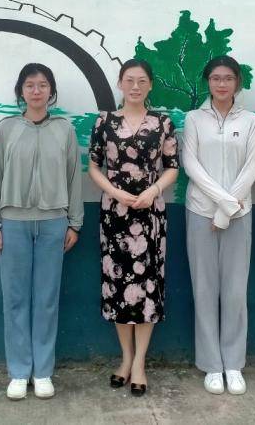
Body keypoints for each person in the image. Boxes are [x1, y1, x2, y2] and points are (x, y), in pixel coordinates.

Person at [0, 63, 83, 400]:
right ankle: (18, 371)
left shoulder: (64, 130)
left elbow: (74, 176)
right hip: (13, 224)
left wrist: (74, 222)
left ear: (51, 91)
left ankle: (42, 372)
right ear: (21, 91)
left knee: (46, 299)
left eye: (42, 85)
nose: (36, 91)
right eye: (30, 85)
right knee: (15, 299)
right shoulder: (7, 129)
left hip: (54, 224)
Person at [88, 59, 179, 397]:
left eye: (142, 81)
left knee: (147, 286)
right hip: (115, 213)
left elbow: (172, 167)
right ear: (120, 83)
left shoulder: (163, 122)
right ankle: (125, 358)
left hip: (151, 213)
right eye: (129, 80)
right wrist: (114, 192)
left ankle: (140, 362)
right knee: (118, 285)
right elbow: (93, 167)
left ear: (150, 84)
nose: (135, 86)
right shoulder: (104, 121)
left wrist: (154, 190)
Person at [181, 55, 255, 395]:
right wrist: (222, 204)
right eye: (216, 78)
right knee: (204, 289)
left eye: (228, 78)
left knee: (235, 291)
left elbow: (252, 166)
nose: (222, 84)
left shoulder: (252, 121)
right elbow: (191, 164)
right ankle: (212, 365)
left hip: (239, 216)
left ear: (237, 82)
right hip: (201, 211)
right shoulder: (194, 118)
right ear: (208, 81)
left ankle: (233, 363)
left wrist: (228, 209)